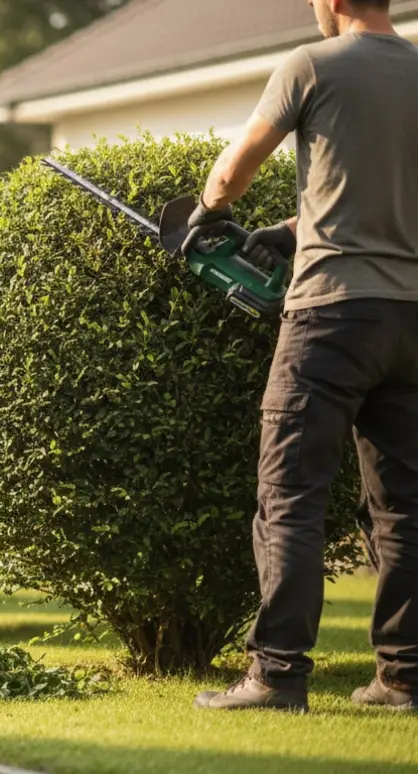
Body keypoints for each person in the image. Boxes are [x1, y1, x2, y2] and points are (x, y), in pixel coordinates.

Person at [184, 0, 418, 713]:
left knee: (290, 494)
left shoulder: (311, 65)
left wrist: (211, 213)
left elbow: (231, 174)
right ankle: (403, 678)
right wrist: (291, 230)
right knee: (406, 509)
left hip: (329, 317)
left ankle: (277, 676)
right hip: (411, 320)